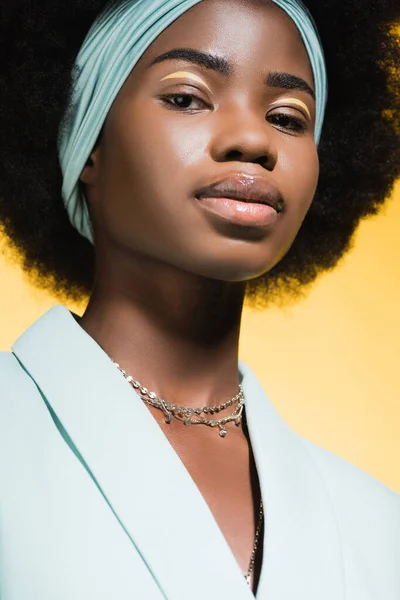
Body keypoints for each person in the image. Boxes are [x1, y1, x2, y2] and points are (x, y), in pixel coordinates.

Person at [0, 0, 399, 598]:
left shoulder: (378, 525)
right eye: (187, 97)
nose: (252, 139)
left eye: (289, 117)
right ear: (85, 141)